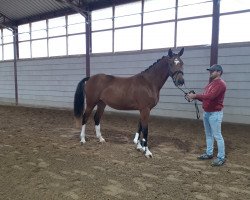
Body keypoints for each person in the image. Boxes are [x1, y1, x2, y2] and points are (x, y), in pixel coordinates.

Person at [187, 64, 226, 166]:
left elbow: (211, 96)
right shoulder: (211, 84)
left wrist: (195, 95)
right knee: (209, 134)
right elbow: (205, 97)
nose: (211, 72)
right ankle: (209, 153)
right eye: (210, 71)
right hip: (208, 113)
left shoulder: (220, 84)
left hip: (215, 113)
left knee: (217, 135)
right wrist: (195, 97)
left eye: (213, 71)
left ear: (219, 72)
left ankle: (221, 157)